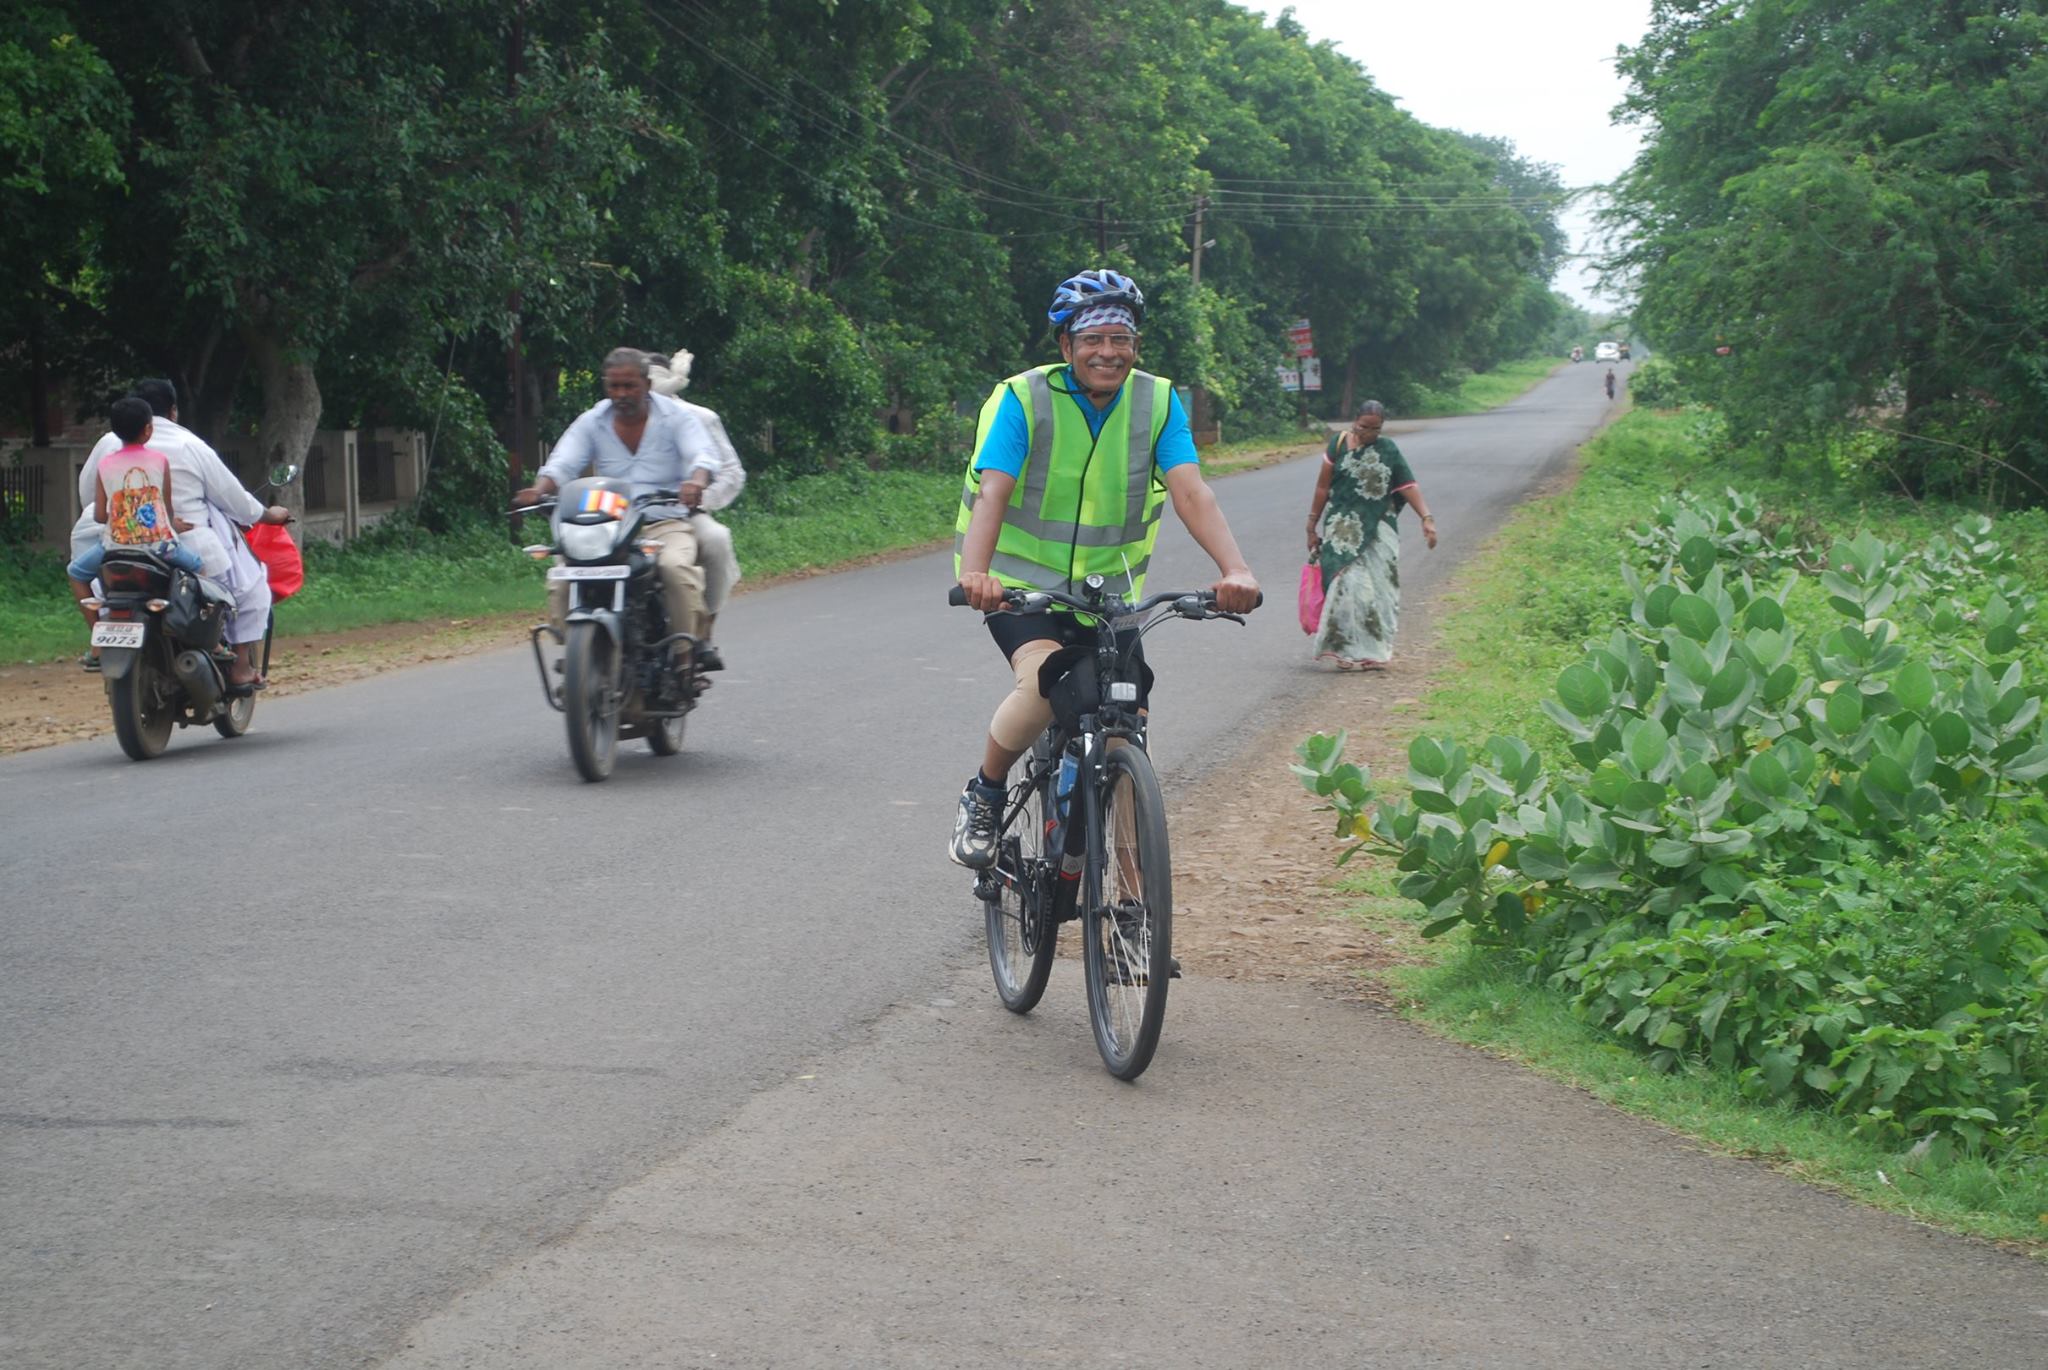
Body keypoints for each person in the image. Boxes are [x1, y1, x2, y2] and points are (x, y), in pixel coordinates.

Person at [949, 268, 1260, 868]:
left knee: (1125, 729)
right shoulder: (1022, 399)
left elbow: (1191, 492)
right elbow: (994, 491)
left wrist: (1236, 570)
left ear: (1135, 345)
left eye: (1121, 338)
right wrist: (978, 573)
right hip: (1020, 589)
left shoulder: (1156, 402)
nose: (1108, 352)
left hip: (1110, 597)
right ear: (1065, 345)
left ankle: (1135, 914)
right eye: (1092, 338)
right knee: (1045, 685)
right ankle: (985, 793)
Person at [72, 379, 289, 685]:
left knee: (78, 574)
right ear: (170, 413)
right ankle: (233, 661)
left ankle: (97, 638)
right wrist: (268, 515)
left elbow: (90, 502)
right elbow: (229, 499)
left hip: (112, 546)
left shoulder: (106, 451)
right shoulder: (184, 448)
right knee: (234, 586)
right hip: (168, 542)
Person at [514, 348, 721, 658]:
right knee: (562, 578)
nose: (621, 394)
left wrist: (696, 482)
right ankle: (577, 657)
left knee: (676, 569)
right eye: (614, 386)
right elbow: (563, 462)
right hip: (608, 525)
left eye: (629, 386)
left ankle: (683, 653)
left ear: (647, 385)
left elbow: (701, 455)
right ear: (605, 386)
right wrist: (539, 489)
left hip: (663, 523)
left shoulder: (676, 418)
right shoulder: (593, 420)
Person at [1304, 401, 1436, 671]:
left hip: (1379, 528)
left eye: (1375, 429)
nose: (1368, 434)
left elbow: (1407, 485)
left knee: (1379, 590)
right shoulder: (1338, 445)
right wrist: (1311, 526)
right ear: (1354, 421)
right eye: (1364, 427)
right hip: (1342, 529)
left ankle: (1373, 651)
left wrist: (1426, 518)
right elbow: (1322, 488)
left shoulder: (1387, 449)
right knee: (1346, 587)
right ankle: (1343, 649)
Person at [646, 348, 741, 672]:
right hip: (627, 517)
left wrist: (699, 500)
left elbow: (732, 472)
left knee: (716, 540)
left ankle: (703, 631)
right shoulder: (612, 421)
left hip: (683, 514)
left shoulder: (699, 418)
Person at [67, 397, 207, 601]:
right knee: (198, 567)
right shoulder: (160, 461)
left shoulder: (105, 464)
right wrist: (171, 525)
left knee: (76, 574)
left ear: (115, 431)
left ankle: (97, 627)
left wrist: (122, 519)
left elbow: (98, 516)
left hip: (113, 548)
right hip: (161, 547)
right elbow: (167, 511)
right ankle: (187, 620)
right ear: (148, 429)